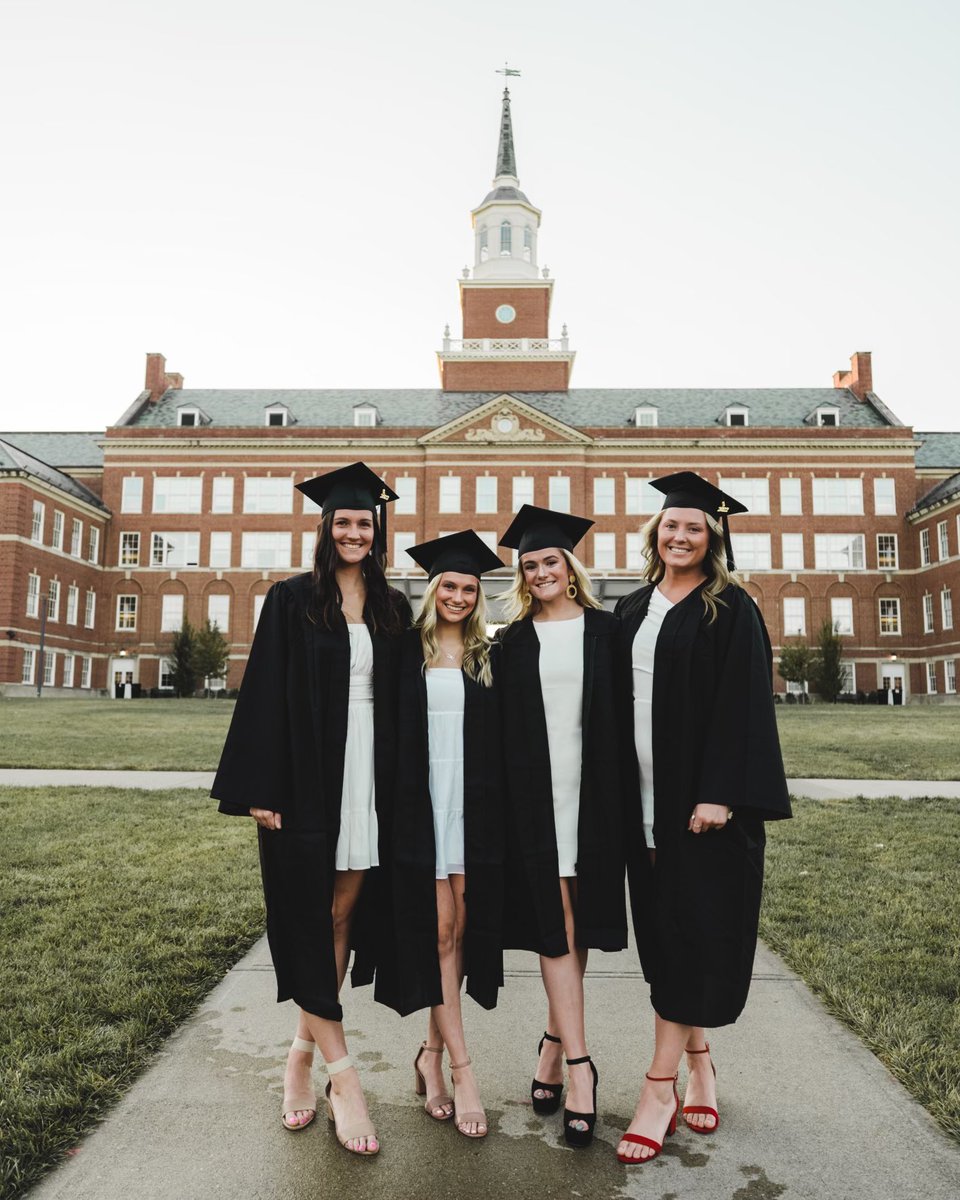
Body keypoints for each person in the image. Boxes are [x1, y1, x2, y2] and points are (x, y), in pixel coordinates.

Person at [211, 462, 411, 1156]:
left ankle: (299, 1052)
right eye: (344, 522)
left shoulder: (392, 608)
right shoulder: (292, 599)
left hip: (370, 773)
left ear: (377, 532)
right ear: (326, 529)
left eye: (365, 522)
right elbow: (264, 691)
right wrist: (262, 786)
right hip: (304, 776)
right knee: (304, 911)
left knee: (341, 914)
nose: (355, 531)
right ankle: (344, 1076)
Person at [613, 471, 791, 1165]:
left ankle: (659, 1089)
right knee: (662, 942)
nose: (680, 536)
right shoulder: (631, 609)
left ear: (713, 539)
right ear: (654, 534)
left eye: (694, 527)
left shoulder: (730, 608)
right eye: (671, 525)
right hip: (642, 806)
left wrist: (719, 792)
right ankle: (702, 1064)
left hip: (701, 810)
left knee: (690, 938)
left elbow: (745, 706)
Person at [496, 505, 628, 1149]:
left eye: (550, 561)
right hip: (534, 801)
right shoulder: (512, 640)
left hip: (595, 797)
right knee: (556, 925)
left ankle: (552, 1043)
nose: (541, 571)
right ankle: (580, 1066)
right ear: (521, 577)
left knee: (576, 925)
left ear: (571, 568)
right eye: (530, 564)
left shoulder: (612, 632)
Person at [386, 530, 505, 1139]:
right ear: (432, 591)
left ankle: (428, 1055)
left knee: (460, 930)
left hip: (474, 810)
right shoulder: (403, 652)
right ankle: (463, 1071)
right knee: (438, 933)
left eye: (469, 588)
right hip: (420, 809)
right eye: (449, 586)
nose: (458, 596)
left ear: (479, 595)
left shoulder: (491, 657)